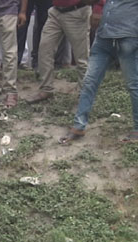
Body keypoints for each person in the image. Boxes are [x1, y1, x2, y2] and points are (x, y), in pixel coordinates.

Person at [59, 0, 138, 144]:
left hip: (127, 37)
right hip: (103, 37)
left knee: (133, 84)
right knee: (89, 81)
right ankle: (79, 126)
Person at [26, 0, 103, 104]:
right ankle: (46, 89)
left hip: (77, 11)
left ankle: (86, 93)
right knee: (44, 49)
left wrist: (98, 9)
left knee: (81, 57)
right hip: (56, 11)